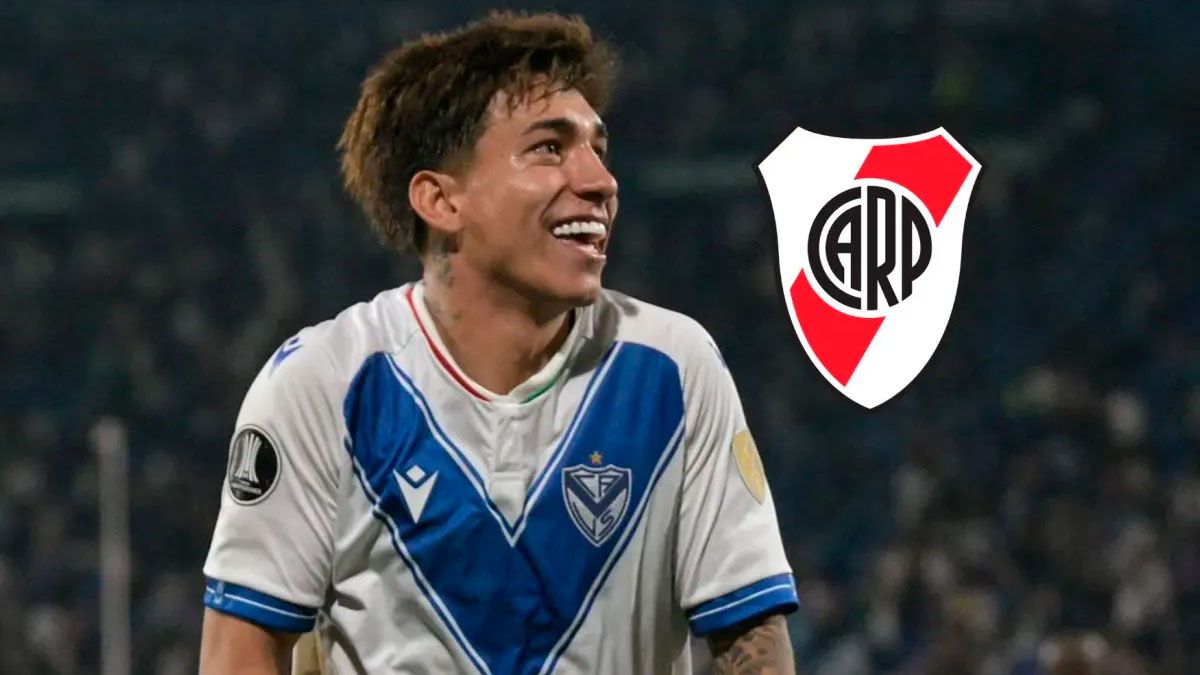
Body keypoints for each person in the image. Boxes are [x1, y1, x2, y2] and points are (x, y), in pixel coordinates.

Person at [198, 11, 798, 674]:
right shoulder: (327, 383)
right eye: (550, 148)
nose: (600, 181)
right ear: (440, 200)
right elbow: (240, 652)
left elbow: (752, 635)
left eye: (598, 148)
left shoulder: (672, 368)